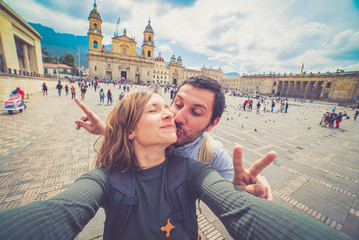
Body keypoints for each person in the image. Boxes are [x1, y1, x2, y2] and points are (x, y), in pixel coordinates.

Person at [0, 91, 350, 240]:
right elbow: (62, 211)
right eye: (158, 109)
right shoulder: (104, 179)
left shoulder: (195, 171)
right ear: (132, 130)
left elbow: (239, 209)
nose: (171, 113)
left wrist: (255, 200)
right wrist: (109, 132)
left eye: (169, 108)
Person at [75, 75, 274, 199]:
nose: (176, 117)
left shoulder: (211, 154)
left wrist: (242, 194)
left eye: (195, 112)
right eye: (178, 104)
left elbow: (235, 192)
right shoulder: (107, 177)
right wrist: (109, 129)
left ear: (212, 124)